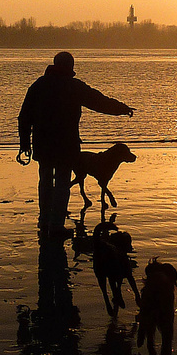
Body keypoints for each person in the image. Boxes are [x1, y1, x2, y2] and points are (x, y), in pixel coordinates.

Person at [18, 51, 135, 239]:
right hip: (66, 145)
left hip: (44, 143)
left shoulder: (39, 85)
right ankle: (55, 225)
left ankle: (45, 220)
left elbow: (24, 116)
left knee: (46, 181)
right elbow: (99, 102)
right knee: (62, 183)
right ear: (70, 66)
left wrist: (24, 143)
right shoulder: (73, 86)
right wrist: (122, 108)